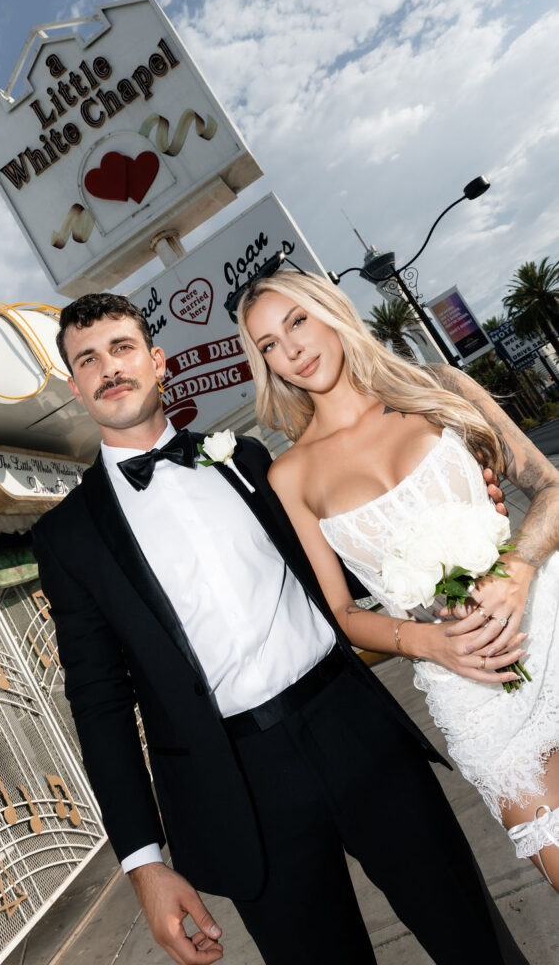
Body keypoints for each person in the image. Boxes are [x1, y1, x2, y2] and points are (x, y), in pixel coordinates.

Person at [32, 290, 529, 965]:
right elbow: (99, 704)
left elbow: (354, 568)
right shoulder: (68, 537)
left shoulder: (244, 459)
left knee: (472, 940)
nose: (108, 368)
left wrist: (461, 522)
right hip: (234, 787)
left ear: (157, 362)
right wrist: (143, 861)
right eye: (87, 359)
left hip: (354, 727)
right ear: (75, 385)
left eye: (122, 348)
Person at [237, 265, 559, 892]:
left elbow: (549, 486)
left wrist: (517, 569)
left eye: (297, 321)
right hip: (467, 683)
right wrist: (427, 644)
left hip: (546, 615)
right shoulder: (292, 475)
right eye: (269, 344)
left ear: (330, 311)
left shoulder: (439, 387)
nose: (292, 350)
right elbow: (342, 614)